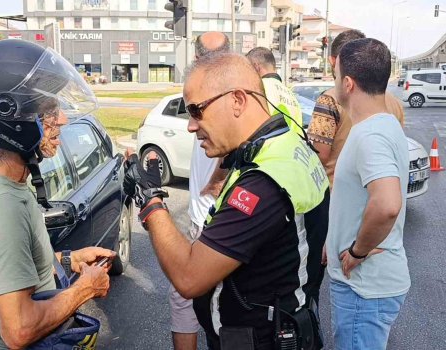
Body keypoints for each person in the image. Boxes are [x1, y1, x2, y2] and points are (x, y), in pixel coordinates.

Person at [124, 52, 329, 349]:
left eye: (196, 111)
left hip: (260, 339)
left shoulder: (264, 183)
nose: (191, 126)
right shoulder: (285, 143)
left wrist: (150, 198)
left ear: (237, 100)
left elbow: (189, 277)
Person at [0, 40, 115, 350]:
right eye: (49, 112)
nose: (62, 119)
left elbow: (1, 263)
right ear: (9, 119)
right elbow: (19, 329)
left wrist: (67, 260)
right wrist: (85, 290)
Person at [327, 38, 410, 350]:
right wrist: (333, 239)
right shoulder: (384, 123)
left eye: (335, 76)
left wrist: (358, 250)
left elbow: (387, 204)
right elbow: (359, 198)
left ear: (348, 83)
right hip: (369, 286)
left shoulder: (371, 135)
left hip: (364, 288)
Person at [247, 46, 330, 308]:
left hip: (277, 176)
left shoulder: (261, 91)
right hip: (300, 170)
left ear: (257, 69)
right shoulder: (288, 92)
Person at [168, 31, 231, 350]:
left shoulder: (221, 97)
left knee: (189, 292)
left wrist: (218, 179)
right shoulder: (227, 91)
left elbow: (239, 143)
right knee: (209, 301)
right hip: (207, 217)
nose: (193, 126)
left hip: (215, 221)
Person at [307, 29, 405, 187]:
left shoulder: (330, 100)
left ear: (334, 61)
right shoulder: (394, 103)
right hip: (373, 192)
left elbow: (319, 156)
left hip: (334, 193)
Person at [246, 46, 303, 133]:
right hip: (294, 145)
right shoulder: (290, 93)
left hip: (267, 146)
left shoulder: (258, 89)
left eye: (248, 68)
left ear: (256, 67)